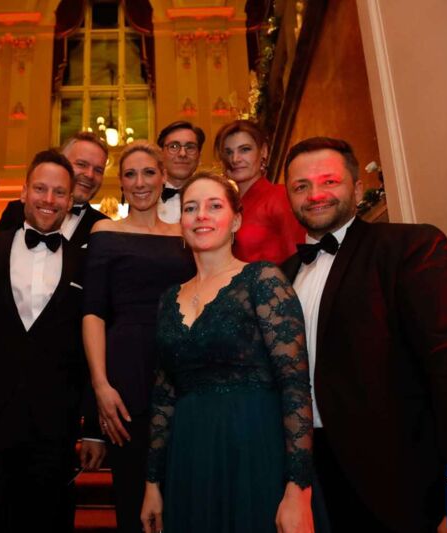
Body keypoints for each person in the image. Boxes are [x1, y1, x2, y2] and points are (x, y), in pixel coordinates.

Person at [279, 137, 447, 532]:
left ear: (357, 189)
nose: (315, 194)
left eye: (329, 181)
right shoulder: (280, 277)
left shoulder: (409, 248)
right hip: (315, 485)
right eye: (301, 186)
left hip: (407, 484)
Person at [139, 172, 317, 533]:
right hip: (190, 454)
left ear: (236, 220)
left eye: (214, 206)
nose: (201, 215)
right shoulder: (168, 299)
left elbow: (295, 386)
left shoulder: (263, 280)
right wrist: (152, 483)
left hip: (254, 446)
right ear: (181, 223)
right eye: (191, 208)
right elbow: (163, 394)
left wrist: (299, 489)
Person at [0, 150, 89, 532]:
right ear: (23, 192)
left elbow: (89, 348)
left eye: (59, 192)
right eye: (40, 189)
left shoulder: (85, 262)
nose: (48, 199)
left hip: (54, 425)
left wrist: (90, 427)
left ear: (70, 200)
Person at [83, 141, 196, 533]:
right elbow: (93, 313)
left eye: (149, 172)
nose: (140, 182)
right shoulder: (105, 232)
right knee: (133, 492)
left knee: (183, 491)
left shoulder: (185, 234)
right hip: (126, 371)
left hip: (182, 370)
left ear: (163, 177)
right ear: (121, 183)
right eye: (130, 174)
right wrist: (100, 385)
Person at [0, 131, 109, 249]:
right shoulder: (16, 211)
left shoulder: (105, 228)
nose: (90, 175)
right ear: (62, 163)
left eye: (98, 170)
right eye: (81, 164)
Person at [214, 120, 304, 264]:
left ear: (263, 151)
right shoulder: (228, 206)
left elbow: (298, 257)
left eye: (245, 149)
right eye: (228, 152)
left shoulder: (279, 196)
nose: (235, 159)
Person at [156, 121, 205, 223]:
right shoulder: (145, 197)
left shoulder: (212, 196)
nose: (182, 154)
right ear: (161, 153)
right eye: (174, 146)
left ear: (199, 155)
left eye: (190, 147)